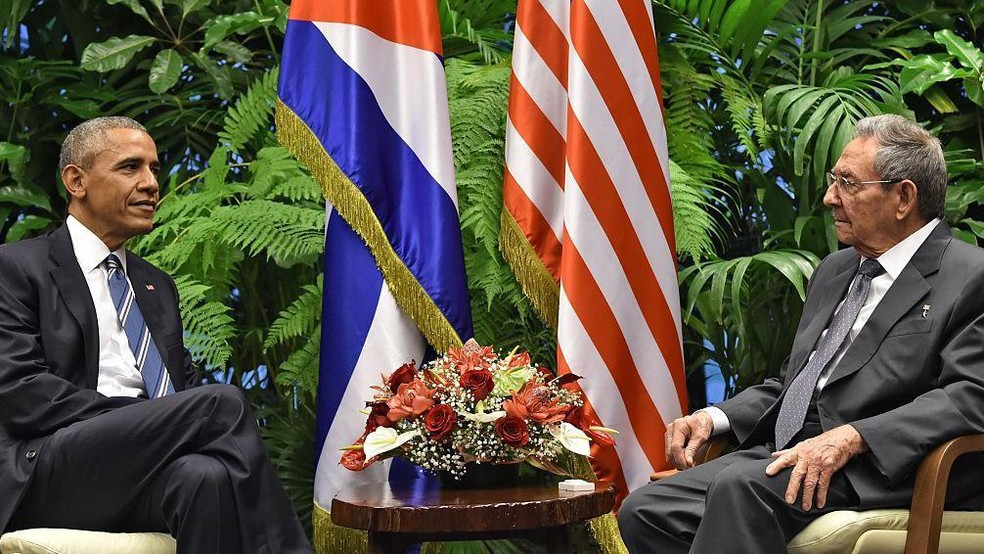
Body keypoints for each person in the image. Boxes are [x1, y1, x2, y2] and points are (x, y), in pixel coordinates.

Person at [619, 114, 984, 553]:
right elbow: (796, 381)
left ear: (903, 197)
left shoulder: (969, 276)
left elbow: (970, 396)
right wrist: (713, 417)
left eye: (848, 183)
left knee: (741, 486)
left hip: (880, 465)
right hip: (791, 454)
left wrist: (854, 436)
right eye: (834, 180)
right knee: (646, 509)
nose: (830, 197)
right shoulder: (836, 269)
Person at [0, 117, 312, 553]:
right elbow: (21, 394)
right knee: (221, 403)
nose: (150, 183)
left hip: (136, 470)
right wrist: (135, 419)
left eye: (155, 169)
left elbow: (178, 386)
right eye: (130, 167)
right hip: (48, 468)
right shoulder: (16, 267)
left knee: (205, 477)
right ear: (77, 180)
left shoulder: (155, 284)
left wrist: (153, 426)